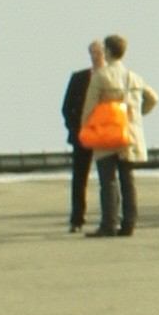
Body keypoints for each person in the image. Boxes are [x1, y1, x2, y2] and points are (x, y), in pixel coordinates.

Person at [80, 32, 147, 237]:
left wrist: (86, 129)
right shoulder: (134, 77)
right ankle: (129, 223)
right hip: (130, 133)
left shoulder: (101, 76)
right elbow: (153, 98)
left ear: (107, 51)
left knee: (108, 180)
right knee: (128, 179)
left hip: (107, 134)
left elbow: (89, 107)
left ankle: (108, 223)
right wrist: (137, 116)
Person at [63, 43, 101, 230]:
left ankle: (110, 216)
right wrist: (74, 127)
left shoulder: (110, 77)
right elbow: (66, 107)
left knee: (107, 178)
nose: (95, 56)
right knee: (79, 178)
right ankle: (77, 219)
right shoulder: (79, 78)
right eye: (92, 53)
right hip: (82, 135)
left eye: (98, 52)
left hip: (104, 135)